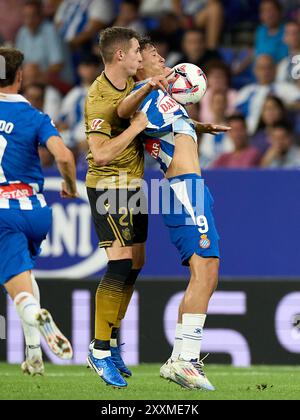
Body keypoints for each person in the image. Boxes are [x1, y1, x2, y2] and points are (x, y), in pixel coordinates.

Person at [118, 38, 230, 391]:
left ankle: (181, 359)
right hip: (183, 189)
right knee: (206, 269)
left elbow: (166, 126)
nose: (163, 59)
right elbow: (123, 112)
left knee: (207, 271)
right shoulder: (144, 93)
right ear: (140, 65)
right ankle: (184, 359)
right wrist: (148, 84)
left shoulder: (162, 99)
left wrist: (199, 126)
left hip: (189, 188)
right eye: (154, 56)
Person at [84, 27, 168, 389]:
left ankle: (113, 340)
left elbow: (149, 114)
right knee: (118, 261)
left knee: (136, 261)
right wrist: (135, 129)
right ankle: (99, 349)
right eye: (137, 51)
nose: (141, 56)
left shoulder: (132, 85)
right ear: (120, 55)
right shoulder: (99, 97)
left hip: (132, 185)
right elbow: (100, 153)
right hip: (108, 186)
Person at [0, 47, 77, 376]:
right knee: (24, 275)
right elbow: (64, 157)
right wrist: (71, 186)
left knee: (18, 290)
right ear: (20, 77)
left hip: (3, 212)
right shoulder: (35, 116)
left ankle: (35, 312)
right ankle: (34, 354)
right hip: (36, 209)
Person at [235, 54, 300, 134]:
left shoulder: (286, 88)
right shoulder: (246, 91)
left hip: (278, 134)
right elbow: (236, 113)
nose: (266, 71)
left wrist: (283, 106)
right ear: (255, 70)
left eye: (269, 68)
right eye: (262, 68)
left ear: (276, 69)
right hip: (248, 135)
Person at [15, 0, 64, 81]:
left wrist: (37, 75)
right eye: (26, 17)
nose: (29, 21)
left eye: (32, 16)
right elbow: (17, 63)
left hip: (54, 82)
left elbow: (58, 65)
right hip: (30, 82)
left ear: (40, 16)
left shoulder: (51, 30)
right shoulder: (23, 32)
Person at [277, 21, 300, 85]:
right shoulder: (283, 63)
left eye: (296, 33)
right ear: (284, 38)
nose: (293, 36)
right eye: (288, 33)